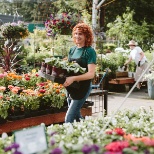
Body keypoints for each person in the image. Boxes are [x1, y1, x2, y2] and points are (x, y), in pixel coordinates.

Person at [63, 22, 96, 123]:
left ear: (87, 36)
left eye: (80, 34)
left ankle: (68, 137)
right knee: (77, 116)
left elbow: (91, 74)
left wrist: (73, 78)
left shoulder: (89, 51)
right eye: (76, 33)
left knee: (68, 119)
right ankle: (87, 130)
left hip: (83, 87)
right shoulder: (72, 50)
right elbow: (69, 68)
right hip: (71, 87)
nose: (77, 36)